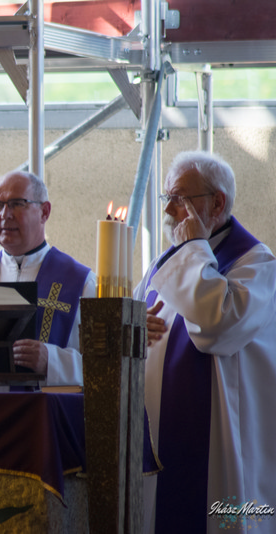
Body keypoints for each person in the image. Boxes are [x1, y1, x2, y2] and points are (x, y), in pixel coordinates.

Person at [134, 151, 276, 534]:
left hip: (221, 446)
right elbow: (134, 326)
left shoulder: (256, 264)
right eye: (167, 197)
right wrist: (131, 328)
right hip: (160, 438)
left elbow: (217, 326)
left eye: (180, 198)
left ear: (217, 203)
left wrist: (193, 249)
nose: (168, 210)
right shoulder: (165, 264)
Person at [0, 170, 96, 386]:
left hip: (45, 407)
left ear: (44, 212)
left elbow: (105, 368)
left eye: (17, 204)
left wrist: (52, 361)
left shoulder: (82, 284)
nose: (5, 215)